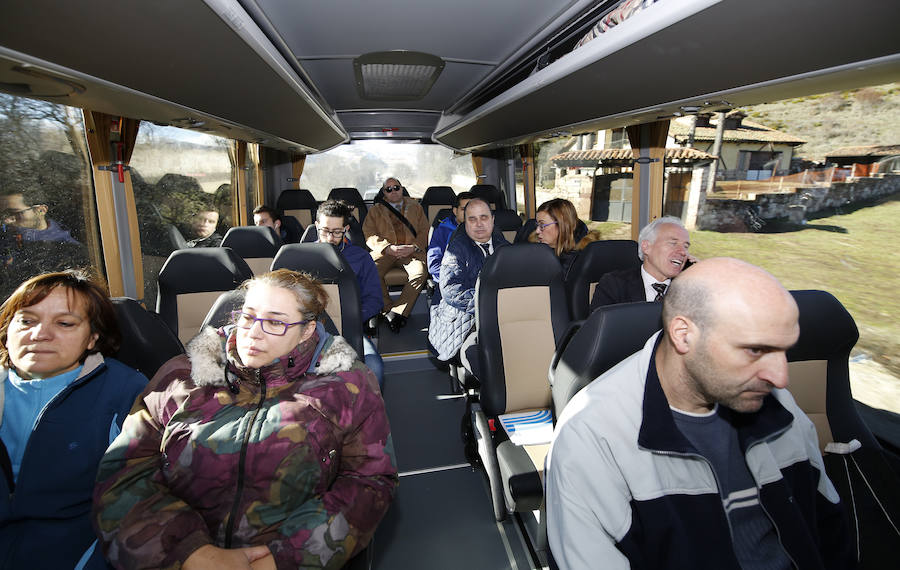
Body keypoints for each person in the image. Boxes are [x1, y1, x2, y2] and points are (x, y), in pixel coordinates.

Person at [546, 258, 851, 570]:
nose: (781, 378)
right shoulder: (592, 437)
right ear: (683, 334)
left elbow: (828, 526)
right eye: (755, 350)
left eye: (785, 351)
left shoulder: (778, 404)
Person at [93, 269, 397, 570]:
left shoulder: (347, 385)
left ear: (307, 330)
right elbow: (125, 473)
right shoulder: (180, 376)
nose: (253, 333)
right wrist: (188, 554)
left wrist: (282, 558)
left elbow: (367, 481)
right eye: (248, 317)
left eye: (275, 322)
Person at [0, 270, 148, 569]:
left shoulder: (126, 393)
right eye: (26, 320)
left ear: (93, 337)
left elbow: (137, 501)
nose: (40, 333)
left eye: (65, 323)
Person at [428, 198, 509, 378]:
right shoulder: (456, 248)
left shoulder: (504, 246)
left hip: (503, 317)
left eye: (484, 217)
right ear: (465, 222)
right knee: (480, 353)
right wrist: (489, 306)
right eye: (472, 219)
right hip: (466, 319)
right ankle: (500, 398)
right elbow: (452, 289)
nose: (479, 224)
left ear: (493, 219)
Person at [316, 199, 385, 388]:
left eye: (337, 232)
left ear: (346, 229)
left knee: (374, 367)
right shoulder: (302, 257)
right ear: (316, 226)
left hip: (349, 329)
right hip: (309, 332)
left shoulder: (361, 258)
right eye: (325, 231)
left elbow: (375, 300)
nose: (330, 237)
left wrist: (350, 319)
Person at [362, 177, 429, 332]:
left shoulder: (415, 206)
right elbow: (369, 234)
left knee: (420, 272)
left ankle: (398, 312)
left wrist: (413, 247)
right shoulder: (375, 210)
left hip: (410, 252)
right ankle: (387, 309)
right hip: (385, 253)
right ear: (384, 192)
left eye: (396, 187)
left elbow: (424, 230)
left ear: (402, 188)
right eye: (389, 189)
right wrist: (387, 248)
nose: (393, 191)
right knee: (371, 271)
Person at [589, 215, 695, 309]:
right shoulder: (614, 285)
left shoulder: (690, 289)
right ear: (646, 247)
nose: (683, 252)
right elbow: (600, 329)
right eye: (673, 243)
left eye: (685, 246)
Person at [530, 198, 600, 278]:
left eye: (542, 225)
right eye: (537, 225)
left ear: (562, 225)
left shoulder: (579, 262)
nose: (537, 231)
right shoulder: (536, 251)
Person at [1, 187, 80, 245]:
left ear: (41, 210)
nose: (6, 220)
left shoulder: (65, 244)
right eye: (2, 214)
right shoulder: (5, 238)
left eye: (16, 213)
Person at [427, 191, 474, 282]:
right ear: (455, 211)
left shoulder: (484, 229)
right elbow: (434, 266)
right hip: (452, 281)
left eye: (472, 209)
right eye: (464, 209)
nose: (468, 213)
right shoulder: (443, 231)